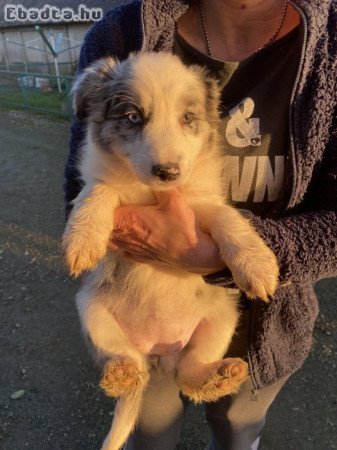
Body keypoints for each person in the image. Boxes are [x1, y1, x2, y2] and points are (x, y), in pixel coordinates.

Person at [64, 0, 337, 449]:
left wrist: (224, 252)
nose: (166, 154)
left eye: (189, 120)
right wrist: (101, 206)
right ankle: (125, 358)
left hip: (255, 318)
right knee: (147, 432)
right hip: (131, 305)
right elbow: (80, 190)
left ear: (208, 113)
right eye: (135, 118)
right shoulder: (119, 33)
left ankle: (196, 371)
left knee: (238, 431)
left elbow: (214, 211)